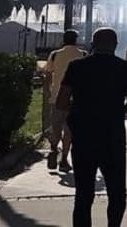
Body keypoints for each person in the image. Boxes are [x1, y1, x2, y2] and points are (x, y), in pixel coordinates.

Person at [55, 28, 127, 227]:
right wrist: (118, 109)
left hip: (83, 136)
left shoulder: (76, 66)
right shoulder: (126, 68)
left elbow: (61, 101)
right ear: (116, 44)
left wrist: (78, 110)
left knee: (83, 194)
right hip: (113, 136)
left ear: (93, 44)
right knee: (117, 193)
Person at [45, 29, 87, 171]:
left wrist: (49, 91)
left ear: (63, 40)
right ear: (76, 40)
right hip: (75, 100)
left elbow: (48, 75)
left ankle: (53, 149)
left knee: (55, 128)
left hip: (56, 97)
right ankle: (63, 160)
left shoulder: (55, 54)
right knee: (69, 131)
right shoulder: (83, 55)